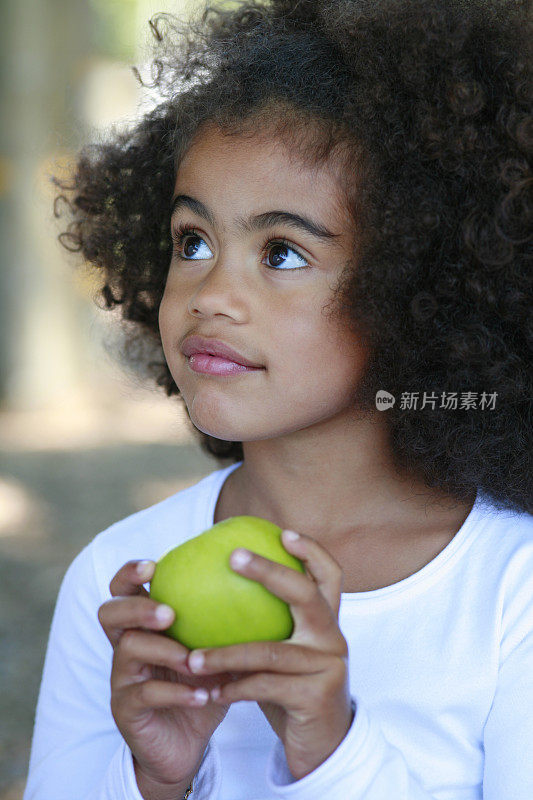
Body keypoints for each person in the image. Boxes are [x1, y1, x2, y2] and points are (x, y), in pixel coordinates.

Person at [24, 0, 532, 798]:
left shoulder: (512, 587)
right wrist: (155, 778)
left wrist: (329, 750)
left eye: (283, 252)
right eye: (192, 241)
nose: (210, 294)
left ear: (416, 284)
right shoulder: (119, 586)